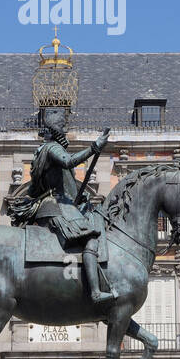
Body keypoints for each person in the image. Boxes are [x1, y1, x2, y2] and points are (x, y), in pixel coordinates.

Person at [8, 107, 115, 304]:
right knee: (91, 238)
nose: (65, 133)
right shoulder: (52, 148)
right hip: (57, 206)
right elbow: (69, 162)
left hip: (55, 204)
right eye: (63, 129)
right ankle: (96, 292)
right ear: (57, 132)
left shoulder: (42, 151)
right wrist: (94, 147)